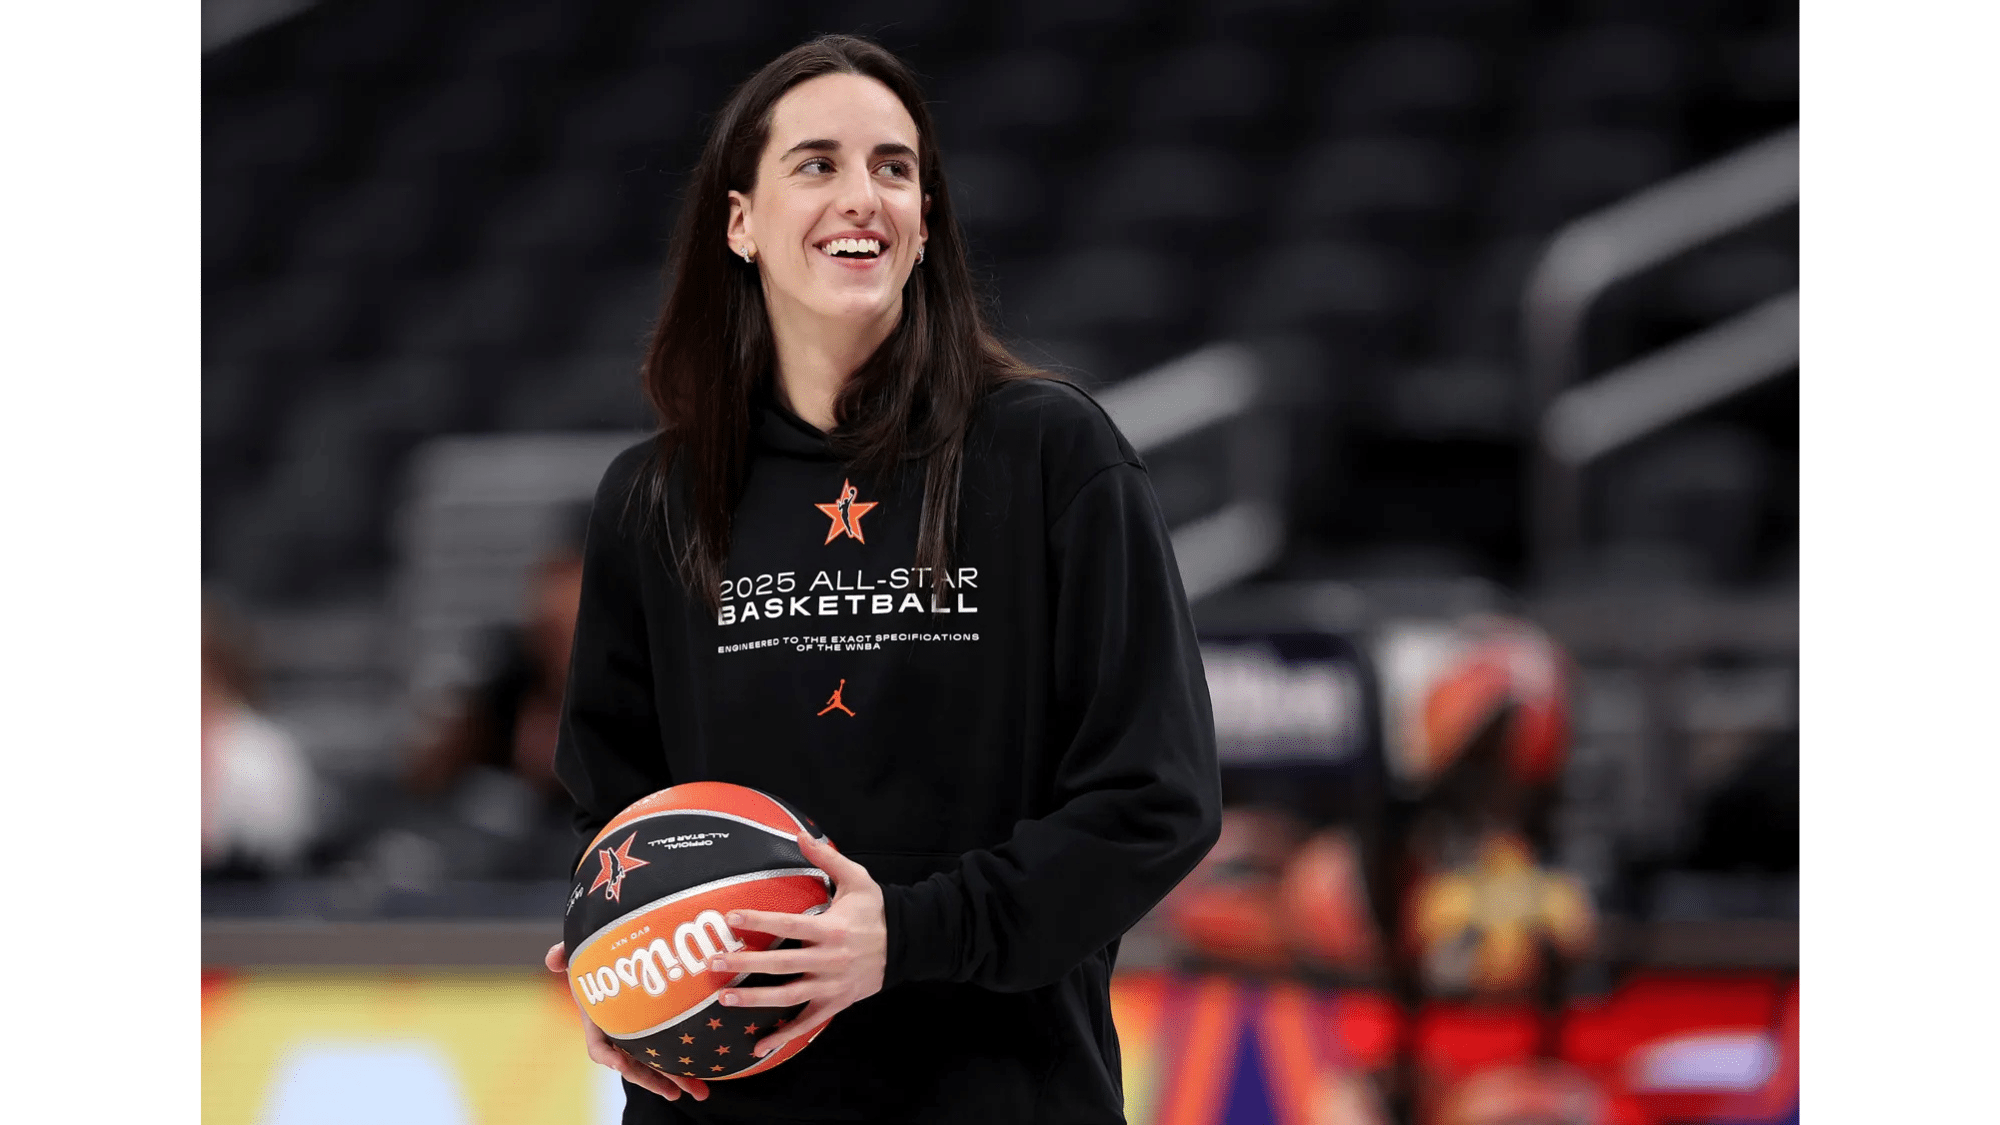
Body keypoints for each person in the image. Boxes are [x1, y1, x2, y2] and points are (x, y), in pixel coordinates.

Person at [545, 35, 1221, 1125]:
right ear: (739, 223)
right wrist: (614, 965)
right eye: (816, 164)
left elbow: (1158, 799)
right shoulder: (650, 498)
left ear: (923, 226)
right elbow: (615, 817)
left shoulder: (1051, 455)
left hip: (996, 1096)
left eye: (894, 169)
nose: (863, 197)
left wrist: (908, 934)